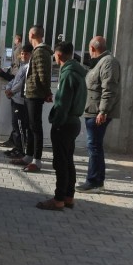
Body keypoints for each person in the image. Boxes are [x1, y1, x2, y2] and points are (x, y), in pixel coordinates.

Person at [36, 41, 87, 211]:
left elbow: (63, 102)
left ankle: (58, 199)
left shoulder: (67, 74)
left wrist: (56, 121)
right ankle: (68, 196)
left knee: (60, 163)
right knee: (68, 161)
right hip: (74, 122)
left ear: (58, 55)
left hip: (64, 123)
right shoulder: (78, 72)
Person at [77, 36, 121, 192]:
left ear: (92, 48)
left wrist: (103, 111)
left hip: (98, 112)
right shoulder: (100, 62)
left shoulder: (108, 62)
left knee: (94, 146)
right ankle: (96, 180)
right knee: (94, 146)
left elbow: (109, 89)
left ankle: (95, 181)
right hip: (92, 110)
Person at [13, 25, 53, 172]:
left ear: (32, 35)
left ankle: (37, 160)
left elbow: (43, 75)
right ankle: (28, 156)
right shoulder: (37, 51)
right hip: (30, 93)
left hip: (35, 94)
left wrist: (47, 92)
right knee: (30, 126)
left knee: (36, 127)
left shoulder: (41, 52)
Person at [1, 43, 33, 159]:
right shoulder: (22, 66)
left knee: (20, 126)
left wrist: (12, 91)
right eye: (22, 53)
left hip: (20, 100)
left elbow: (21, 83)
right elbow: (15, 80)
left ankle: (21, 150)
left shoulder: (29, 67)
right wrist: (8, 88)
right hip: (15, 99)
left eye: (26, 54)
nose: (23, 55)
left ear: (31, 54)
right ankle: (17, 146)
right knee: (15, 125)